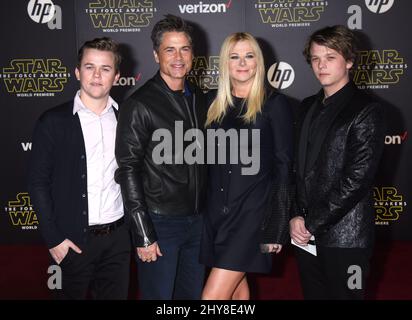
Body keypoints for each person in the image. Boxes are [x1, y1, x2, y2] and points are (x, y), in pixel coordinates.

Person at [28, 37, 131, 299]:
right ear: (77, 72)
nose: (97, 75)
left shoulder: (127, 119)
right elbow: (37, 183)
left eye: (105, 68)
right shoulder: (53, 121)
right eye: (89, 67)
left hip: (118, 241)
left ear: (117, 76)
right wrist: (54, 240)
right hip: (71, 241)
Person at [115, 14, 208, 300]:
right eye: (170, 49)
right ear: (156, 54)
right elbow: (127, 169)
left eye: (184, 49)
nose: (178, 57)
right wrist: (143, 232)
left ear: (193, 54)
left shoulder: (201, 99)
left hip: (198, 222)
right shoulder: (140, 104)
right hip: (160, 224)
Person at [289, 25, 385, 300]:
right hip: (306, 235)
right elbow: (298, 169)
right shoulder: (307, 105)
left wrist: (311, 223)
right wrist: (296, 215)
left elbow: (356, 179)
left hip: (346, 238)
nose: (321, 65)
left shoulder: (366, 110)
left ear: (350, 61)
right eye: (316, 58)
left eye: (330, 57)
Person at [200, 32, 294, 300]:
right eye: (234, 56)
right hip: (216, 212)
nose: (242, 63)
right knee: (237, 288)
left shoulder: (274, 104)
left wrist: (277, 224)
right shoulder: (211, 103)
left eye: (249, 56)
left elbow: (284, 167)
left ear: (258, 62)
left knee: (212, 298)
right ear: (225, 63)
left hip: (252, 215)